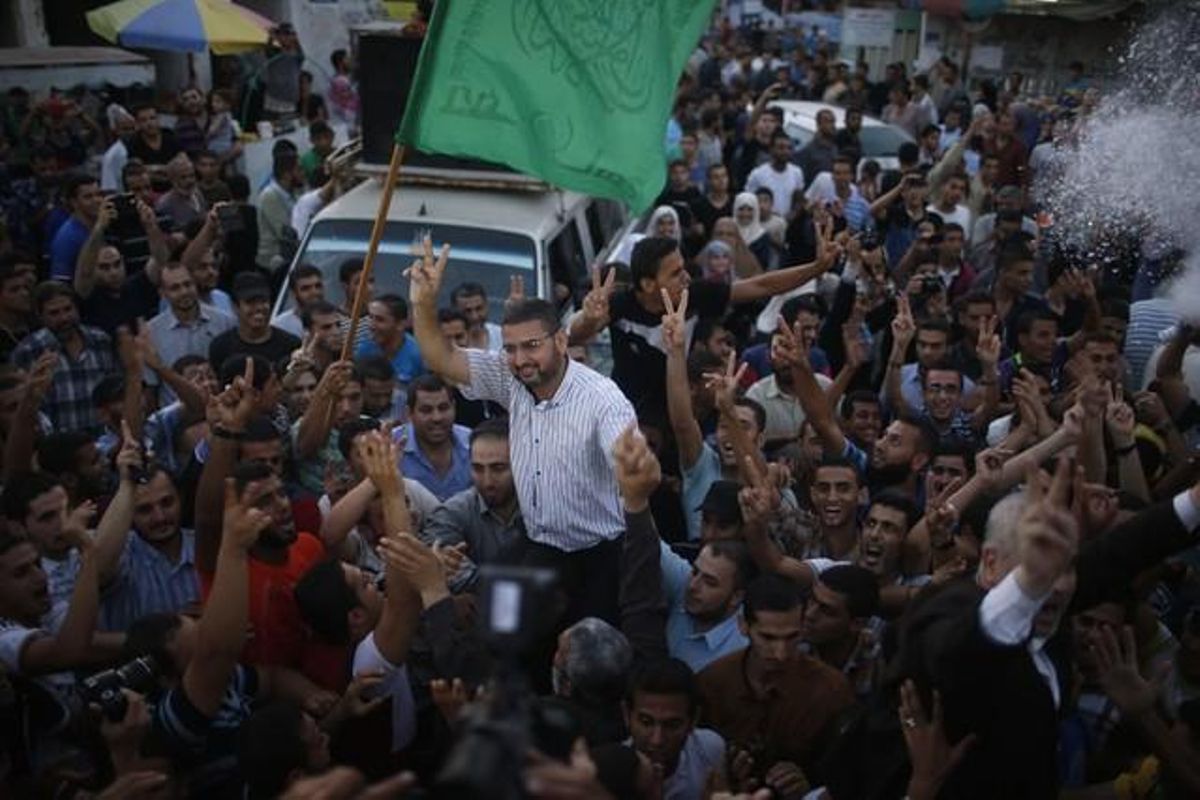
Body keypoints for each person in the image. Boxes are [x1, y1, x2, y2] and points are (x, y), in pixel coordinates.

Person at [407, 237, 636, 623]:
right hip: (537, 545)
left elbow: (632, 475)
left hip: (599, 556)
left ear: (561, 341)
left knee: (589, 652)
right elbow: (441, 358)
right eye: (510, 348)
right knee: (505, 633)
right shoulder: (509, 377)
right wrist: (423, 303)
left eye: (531, 346)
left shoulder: (603, 400)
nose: (519, 360)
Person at [696, 574, 854, 785]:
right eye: (768, 638)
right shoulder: (712, 682)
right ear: (744, 626)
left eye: (792, 637)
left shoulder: (831, 691)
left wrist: (808, 788)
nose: (781, 653)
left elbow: (847, 775)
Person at [422, 418, 526, 590]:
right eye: (478, 468)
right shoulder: (453, 512)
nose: (487, 481)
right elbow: (433, 560)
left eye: (498, 468)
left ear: (521, 464)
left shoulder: (545, 509)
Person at [12, 282, 116, 434]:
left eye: (68, 309)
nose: (64, 318)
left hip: (103, 443)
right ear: (40, 316)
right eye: (54, 313)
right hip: (57, 448)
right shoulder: (28, 351)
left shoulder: (101, 341)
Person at [625, 659, 728, 799]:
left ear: (694, 720)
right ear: (626, 715)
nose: (657, 740)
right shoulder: (609, 776)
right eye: (646, 723)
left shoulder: (709, 751)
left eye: (672, 725)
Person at [392, 374, 471, 501]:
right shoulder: (391, 446)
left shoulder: (472, 443)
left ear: (454, 407)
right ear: (409, 414)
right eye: (426, 410)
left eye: (443, 408)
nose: (437, 418)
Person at [208, 273, 301, 372]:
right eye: (250, 302)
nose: (259, 308)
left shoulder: (291, 344)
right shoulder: (220, 347)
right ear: (235, 307)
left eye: (264, 301)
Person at [356, 294, 425, 386]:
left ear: (400, 324)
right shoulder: (364, 349)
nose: (371, 326)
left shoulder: (418, 356)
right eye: (370, 318)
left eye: (380, 320)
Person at [49, 174, 103, 282]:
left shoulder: (104, 225)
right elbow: (61, 281)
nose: (96, 200)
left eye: (98, 195)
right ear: (74, 202)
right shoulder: (67, 238)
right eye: (88, 197)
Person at [745, 131, 805, 218]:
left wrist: (792, 215)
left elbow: (799, 200)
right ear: (771, 149)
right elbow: (748, 201)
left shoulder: (797, 173)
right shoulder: (757, 174)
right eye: (781, 148)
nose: (786, 151)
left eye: (789, 148)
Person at [154, 154, 207, 232]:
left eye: (192, 176)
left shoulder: (197, 193)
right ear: (172, 180)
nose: (189, 181)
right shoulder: (164, 204)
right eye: (183, 177)